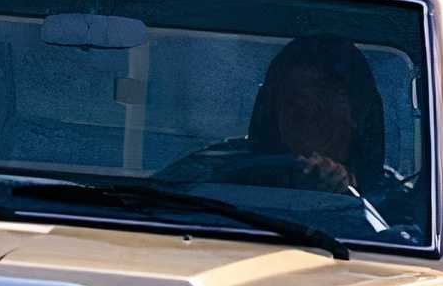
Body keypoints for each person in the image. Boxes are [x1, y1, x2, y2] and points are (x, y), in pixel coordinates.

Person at [157, 34, 386, 194]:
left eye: (323, 94)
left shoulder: (395, 201)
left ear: (359, 111)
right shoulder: (214, 168)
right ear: (271, 109)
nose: (305, 107)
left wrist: (348, 191)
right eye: (291, 96)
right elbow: (152, 202)